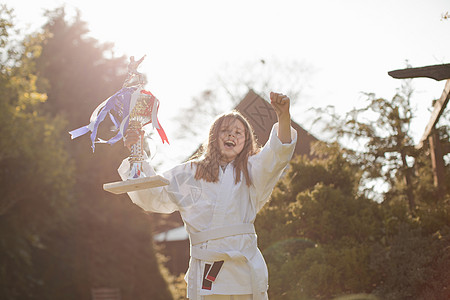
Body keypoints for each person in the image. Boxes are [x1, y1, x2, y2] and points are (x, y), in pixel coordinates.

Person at [119, 92, 297, 300]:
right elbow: (151, 194)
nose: (232, 135)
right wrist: (137, 152)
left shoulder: (253, 170)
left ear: (246, 141)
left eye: (239, 132)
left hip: (243, 272)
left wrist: (283, 117)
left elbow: (278, 154)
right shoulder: (188, 173)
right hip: (206, 274)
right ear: (214, 137)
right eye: (226, 131)